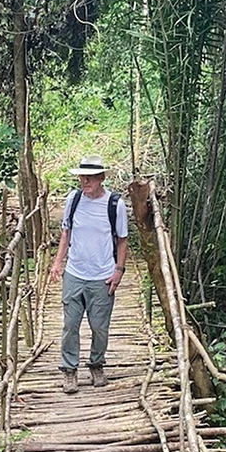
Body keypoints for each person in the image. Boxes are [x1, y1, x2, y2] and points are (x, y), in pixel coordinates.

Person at [49, 155, 129, 393]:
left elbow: (123, 240)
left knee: (99, 326)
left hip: (102, 275)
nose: (85, 181)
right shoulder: (73, 199)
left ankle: (96, 364)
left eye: (91, 177)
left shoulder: (115, 204)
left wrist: (118, 271)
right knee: (70, 325)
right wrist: (57, 263)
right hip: (75, 273)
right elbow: (66, 233)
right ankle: (69, 370)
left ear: (102, 178)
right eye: (83, 176)